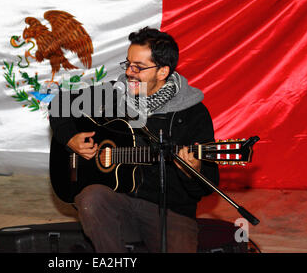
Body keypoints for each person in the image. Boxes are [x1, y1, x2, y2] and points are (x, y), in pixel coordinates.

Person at [49, 27, 219, 253]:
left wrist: (191, 170)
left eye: (138, 67)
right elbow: (60, 103)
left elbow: (207, 184)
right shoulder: (115, 93)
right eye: (128, 63)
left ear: (162, 72)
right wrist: (70, 138)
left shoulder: (192, 113)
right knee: (92, 199)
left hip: (170, 212)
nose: (129, 72)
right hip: (118, 205)